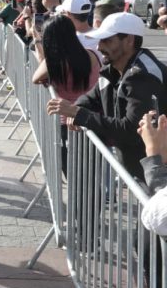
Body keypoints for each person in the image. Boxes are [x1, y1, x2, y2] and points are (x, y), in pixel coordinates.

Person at [47, 12, 167, 181]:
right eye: (100, 40)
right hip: (140, 171)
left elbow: (132, 131)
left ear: (129, 40)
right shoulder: (114, 67)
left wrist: (79, 114)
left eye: (107, 40)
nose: (99, 46)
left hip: (154, 174)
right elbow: (90, 97)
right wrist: (78, 110)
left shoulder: (142, 76)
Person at [32, 15, 100, 176]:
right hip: (93, 117)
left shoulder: (54, 62)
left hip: (67, 121)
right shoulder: (92, 54)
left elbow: (35, 78)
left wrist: (38, 43)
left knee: (73, 171)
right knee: (93, 168)